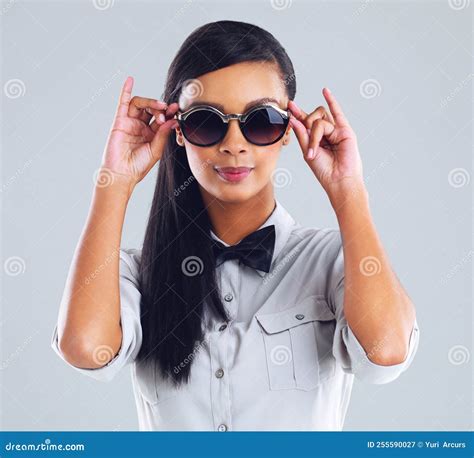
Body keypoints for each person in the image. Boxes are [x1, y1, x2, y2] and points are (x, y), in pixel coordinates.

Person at [51, 20, 420, 431]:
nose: (233, 143)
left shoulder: (333, 261)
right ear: (178, 132)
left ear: (286, 132)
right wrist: (114, 182)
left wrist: (348, 191)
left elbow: (386, 353)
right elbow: (86, 350)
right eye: (206, 122)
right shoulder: (138, 273)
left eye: (260, 120)